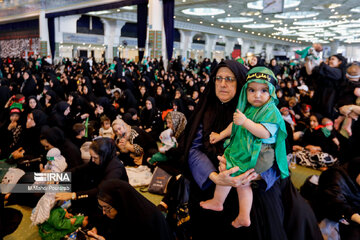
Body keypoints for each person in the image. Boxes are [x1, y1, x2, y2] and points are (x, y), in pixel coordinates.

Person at [179, 60, 322, 239]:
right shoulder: (204, 111)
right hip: (213, 183)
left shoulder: (262, 112)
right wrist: (217, 178)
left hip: (255, 186)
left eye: (230, 79)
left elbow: (277, 154)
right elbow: (193, 149)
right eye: (219, 78)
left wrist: (257, 174)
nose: (223, 84)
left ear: (241, 83)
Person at [200, 67, 289, 228]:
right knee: (236, 178)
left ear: (271, 92)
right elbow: (235, 125)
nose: (257, 95)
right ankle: (235, 211)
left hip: (260, 155)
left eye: (263, 90)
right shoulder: (248, 108)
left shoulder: (271, 111)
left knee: (233, 173)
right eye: (252, 90)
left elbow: (265, 133)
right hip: (247, 151)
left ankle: (222, 203)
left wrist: (246, 122)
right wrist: (220, 135)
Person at [85, 179, 174, 240]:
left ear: (119, 203)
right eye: (102, 207)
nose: (104, 212)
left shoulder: (144, 221)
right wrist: (97, 229)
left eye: (106, 208)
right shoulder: (122, 209)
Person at [316, 157, 360, 240]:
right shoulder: (334, 176)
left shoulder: (356, 183)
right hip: (331, 217)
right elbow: (336, 202)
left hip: (349, 219)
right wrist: (356, 217)